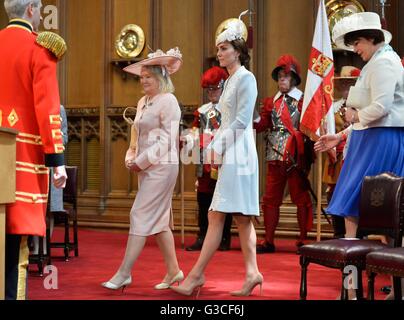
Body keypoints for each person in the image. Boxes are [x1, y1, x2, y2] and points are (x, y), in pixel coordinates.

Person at [171, 18, 262, 297]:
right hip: (231, 149)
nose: (219, 53)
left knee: (216, 214)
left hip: (240, 152)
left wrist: (216, 147)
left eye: (223, 48)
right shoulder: (232, 78)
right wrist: (214, 144)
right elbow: (226, 123)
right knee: (241, 217)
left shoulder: (246, 78)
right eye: (218, 48)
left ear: (237, 49)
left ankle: (196, 275)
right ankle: (252, 272)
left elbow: (241, 122)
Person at [315, 12, 404, 298]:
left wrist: (353, 116)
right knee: (359, 210)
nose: (355, 49)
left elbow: (380, 107)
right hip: (368, 139)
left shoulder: (385, 63)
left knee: (381, 211)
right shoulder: (375, 63)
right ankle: (352, 285)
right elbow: (366, 116)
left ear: (371, 38)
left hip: (381, 141)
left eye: (357, 43)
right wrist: (340, 135)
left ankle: (367, 286)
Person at [0, 0, 67, 300]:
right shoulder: (40, 49)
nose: (41, 15)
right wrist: (57, 161)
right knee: (15, 248)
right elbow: (48, 110)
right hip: (20, 164)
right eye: (40, 9)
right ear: (31, 10)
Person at [102, 47, 184, 291]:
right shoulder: (142, 101)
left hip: (163, 167)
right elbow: (136, 132)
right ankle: (174, 271)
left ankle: (124, 273)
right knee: (158, 221)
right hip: (147, 167)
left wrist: (142, 161)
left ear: (161, 77)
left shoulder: (169, 101)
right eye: (142, 76)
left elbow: (168, 139)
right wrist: (131, 155)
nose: (143, 80)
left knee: (139, 213)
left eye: (148, 76)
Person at [253, 55, 314, 253]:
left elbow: (309, 128)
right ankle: (268, 240)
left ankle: (303, 239)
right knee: (270, 199)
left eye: (286, 76)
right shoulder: (271, 102)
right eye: (279, 76)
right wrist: (251, 115)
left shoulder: (304, 101)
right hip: (274, 156)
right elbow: (262, 126)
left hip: (296, 156)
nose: (281, 80)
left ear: (294, 79)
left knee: (301, 198)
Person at [183, 66, 233, 252]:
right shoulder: (202, 111)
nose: (212, 93)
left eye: (215, 88)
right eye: (209, 89)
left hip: (224, 158)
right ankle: (202, 235)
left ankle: (224, 237)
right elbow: (195, 132)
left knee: (224, 199)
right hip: (204, 159)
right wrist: (187, 138)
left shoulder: (230, 109)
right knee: (203, 198)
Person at [323, 66, 360, 239]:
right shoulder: (334, 107)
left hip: (355, 156)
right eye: (343, 84)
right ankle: (338, 233)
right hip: (336, 158)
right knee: (334, 193)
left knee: (353, 193)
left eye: (350, 84)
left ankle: (356, 234)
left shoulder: (362, 107)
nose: (346, 88)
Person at [31, 105, 68, 254]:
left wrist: (56, 136)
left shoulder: (59, 109)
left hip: (53, 164)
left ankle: (45, 247)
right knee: (35, 206)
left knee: (51, 208)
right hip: (35, 162)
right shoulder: (33, 107)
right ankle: (35, 247)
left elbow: (65, 137)